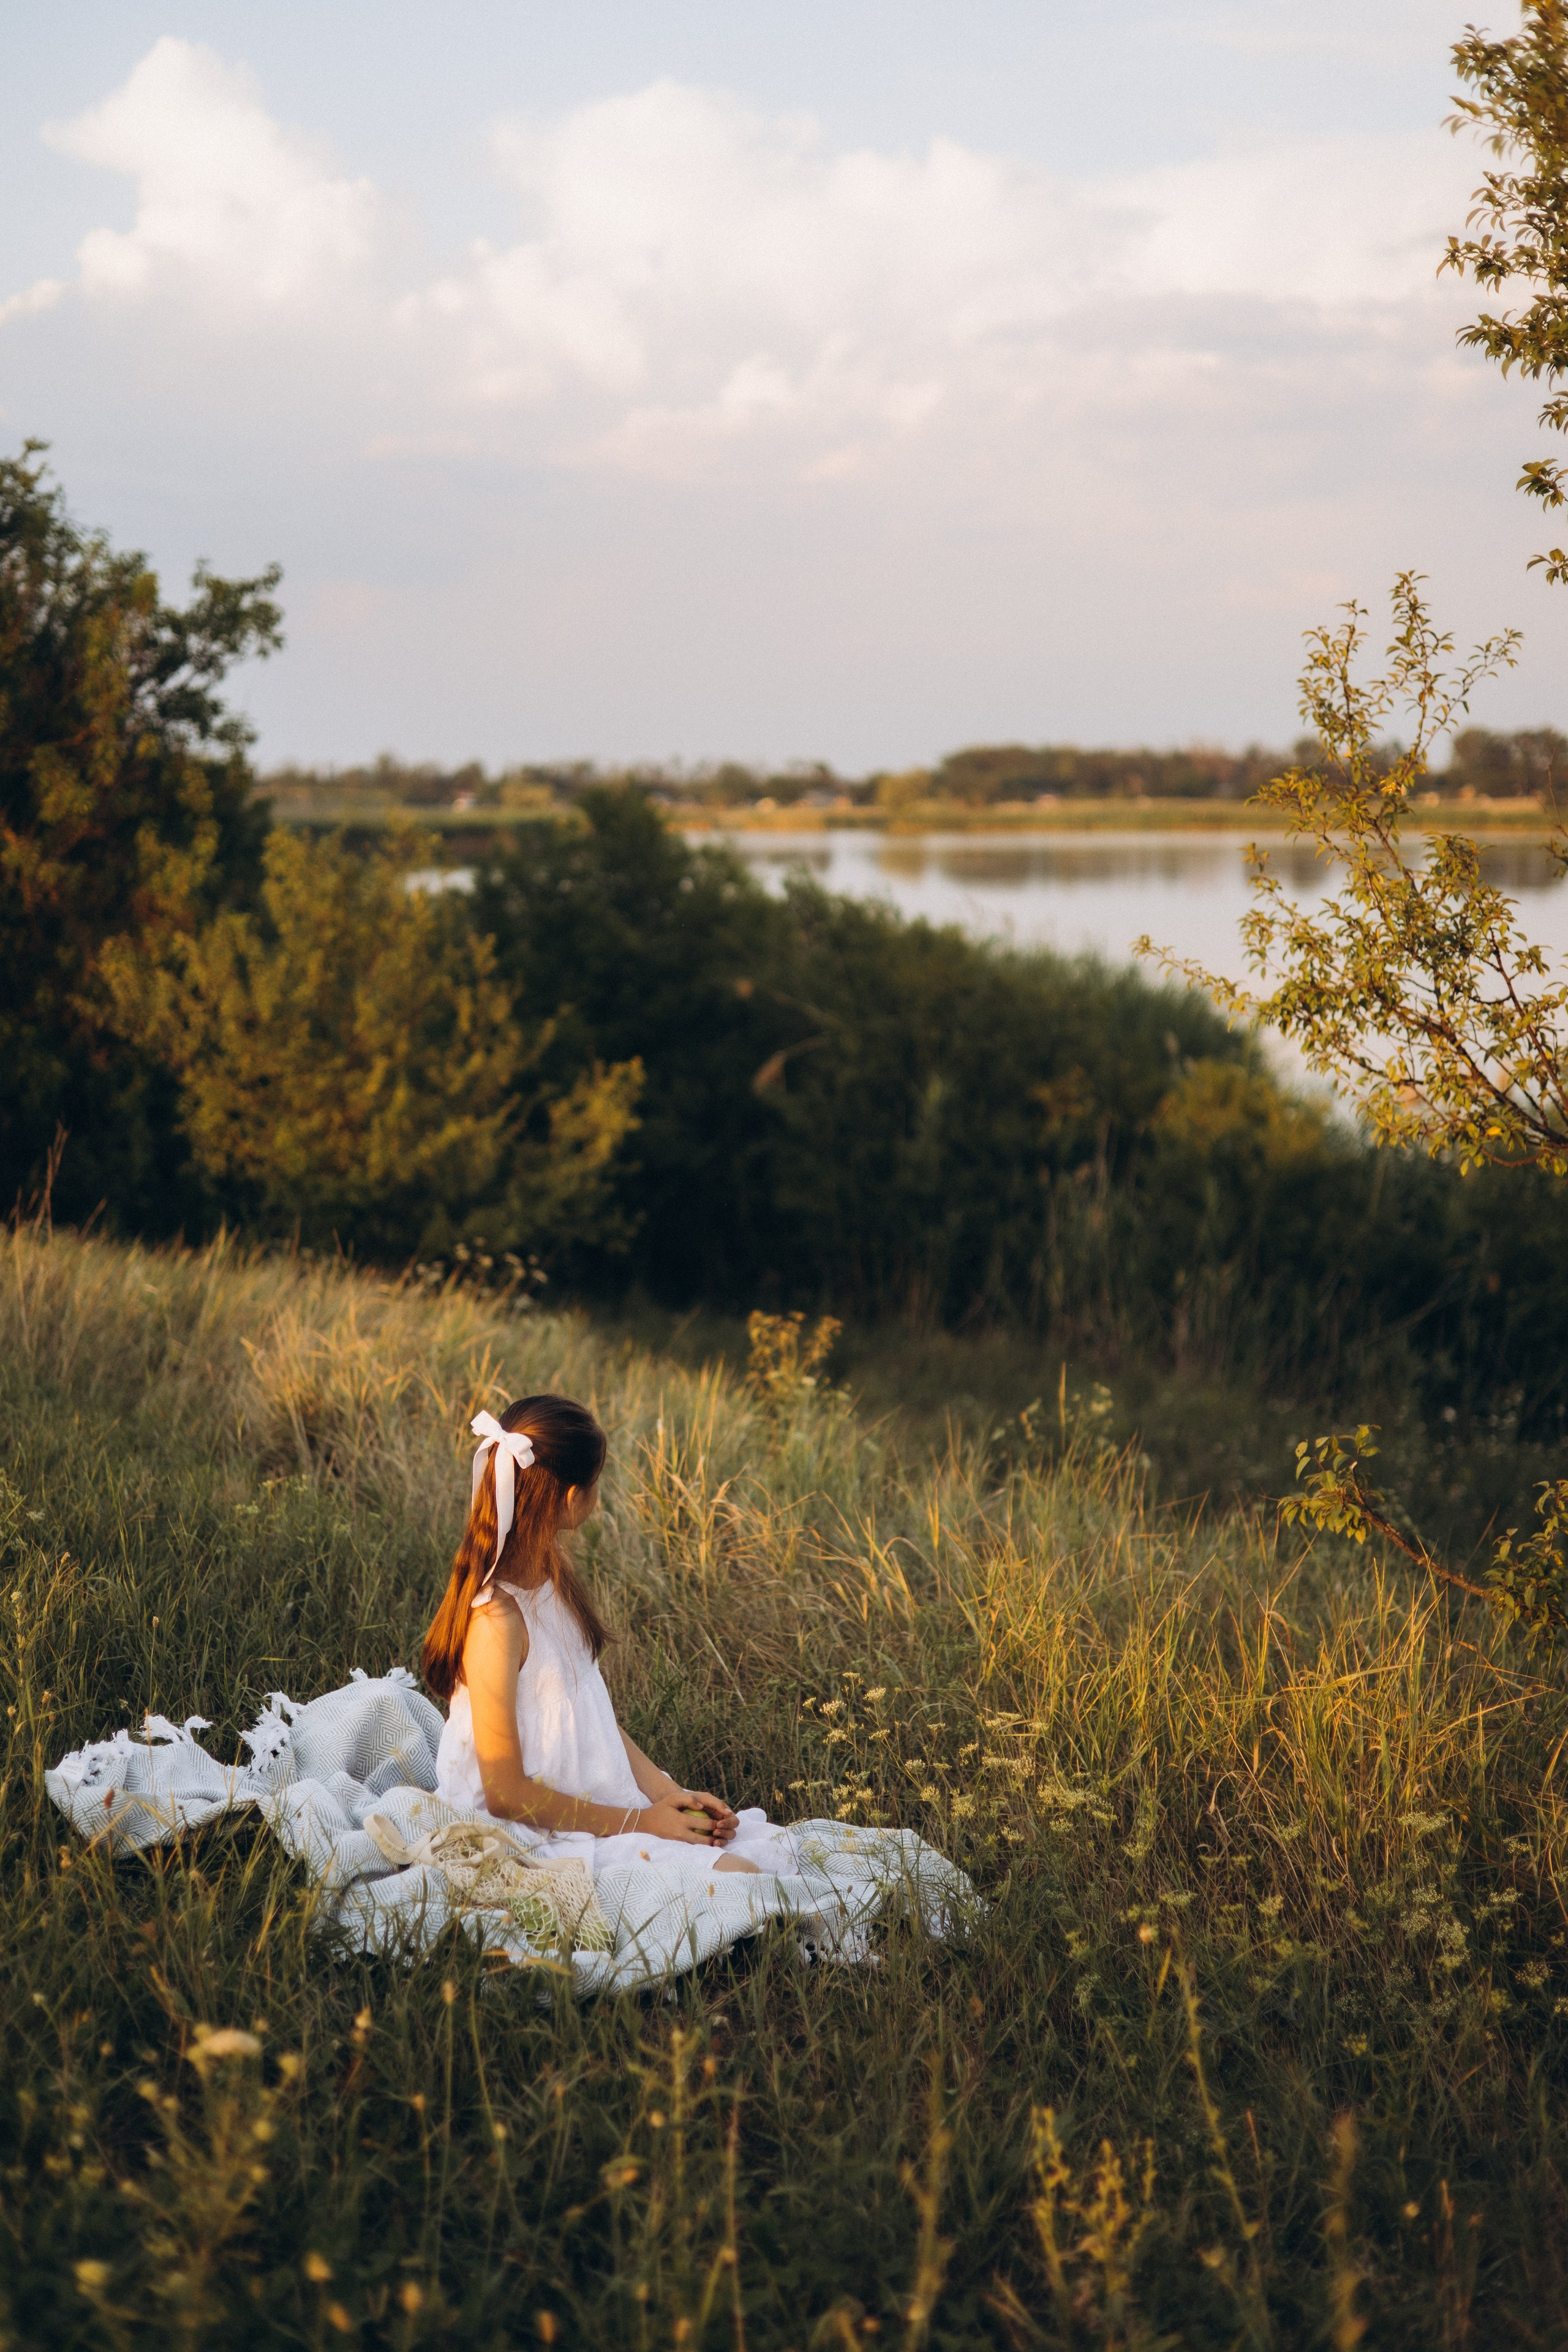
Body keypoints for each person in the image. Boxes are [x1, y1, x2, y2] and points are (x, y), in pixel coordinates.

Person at [424, 1394, 797, 1887]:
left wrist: (666, 1795)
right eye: (597, 1484)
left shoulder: (550, 1577)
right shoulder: (497, 1621)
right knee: (742, 1881)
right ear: (572, 1497)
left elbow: (586, 1713)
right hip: (526, 1830)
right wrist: (639, 1822)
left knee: (763, 1857)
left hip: (588, 1805)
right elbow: (504, 1793)